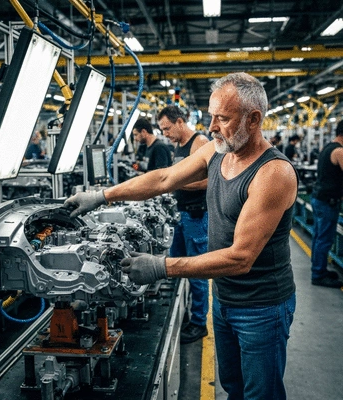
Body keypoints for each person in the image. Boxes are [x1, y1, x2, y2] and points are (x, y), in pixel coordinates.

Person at [64, 72, 298, 399]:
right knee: (233, 387)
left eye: (223, 119)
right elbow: (163, 179)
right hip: (227, 299)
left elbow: (241, 258)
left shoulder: (272, 174)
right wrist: (103, 195)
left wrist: (163, 266)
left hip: (261, 308)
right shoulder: (217, 153)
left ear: (254, 119)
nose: (212, 127)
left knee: (261, 394)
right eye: (212, 116)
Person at [157, 105, 210, 344]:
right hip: (180, 215)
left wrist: (175, 183)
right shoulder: (177, 146)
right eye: (162, 130)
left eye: (167, 128)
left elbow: (209, 181)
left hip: (196, 217)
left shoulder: (199, 143)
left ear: (180, 122)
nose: (165, 134)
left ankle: (199, 323)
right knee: (176, 263)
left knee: (197, 270)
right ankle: (184, 311)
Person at [310, 121, 343, 288]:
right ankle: (318, 274)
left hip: (319, 198)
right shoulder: (339, 151)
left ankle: (318, 268)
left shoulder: (328, 147)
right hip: (327, 202)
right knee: (324, 239)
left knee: (318, 237)